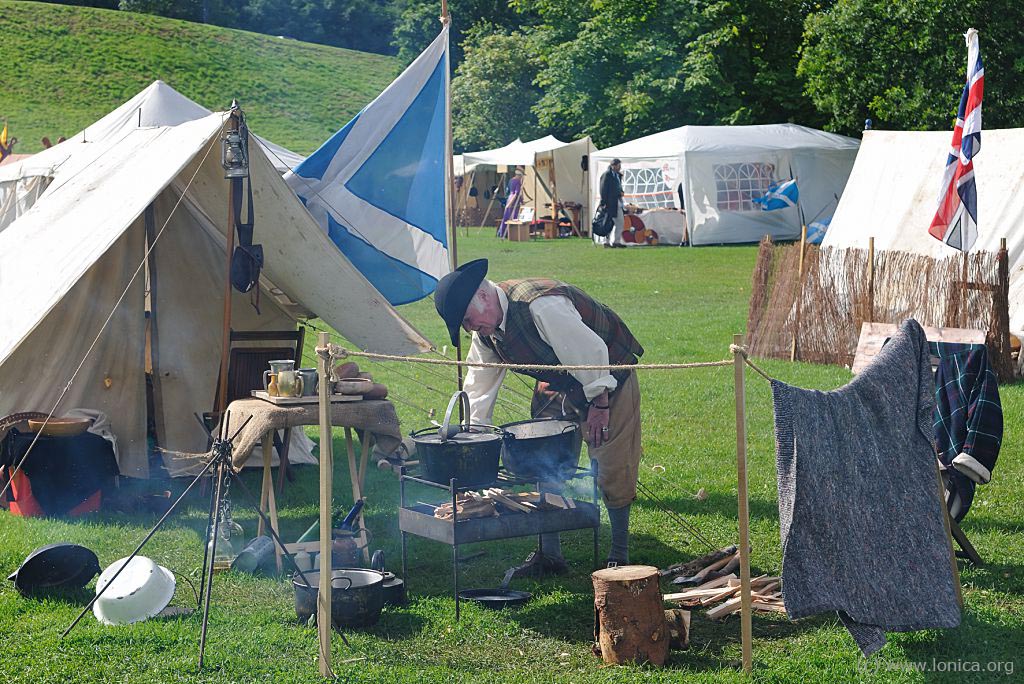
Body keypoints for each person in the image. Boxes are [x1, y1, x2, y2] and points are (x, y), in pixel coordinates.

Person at [433, 259, 644, 574]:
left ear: (484, 296)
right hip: (559, 380)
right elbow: (478, 384)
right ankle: (550, 555)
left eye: (467, 320)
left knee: (611, 463)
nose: (468, 328)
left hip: (608, 374)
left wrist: (600, 403)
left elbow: (589, 354)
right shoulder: (486, 332)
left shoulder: (541, 306)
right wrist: (473, 436)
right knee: (542, 456)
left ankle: (620, 554)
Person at [497, 166, 531, 238]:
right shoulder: (518, 181)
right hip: (513, 201)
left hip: (510, 198)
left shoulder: (511, 180)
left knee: (506, 217)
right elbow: (516, 194)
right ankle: (511, 234)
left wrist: (521, 201)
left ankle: (502, 233)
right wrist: (510, 204)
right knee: (513, 218)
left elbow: (515, 193)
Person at [599, 159, 625, 247]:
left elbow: (618, 187)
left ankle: (616, 241)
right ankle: (606, 242)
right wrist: (604, 202)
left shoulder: (617, 175)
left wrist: (621, 192)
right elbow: (603, 189)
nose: (619, 167)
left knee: (620, 222)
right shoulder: (607, 175)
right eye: (618, 165)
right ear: (613, 166)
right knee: (608, 222)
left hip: (617, 201)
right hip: (609, 203)